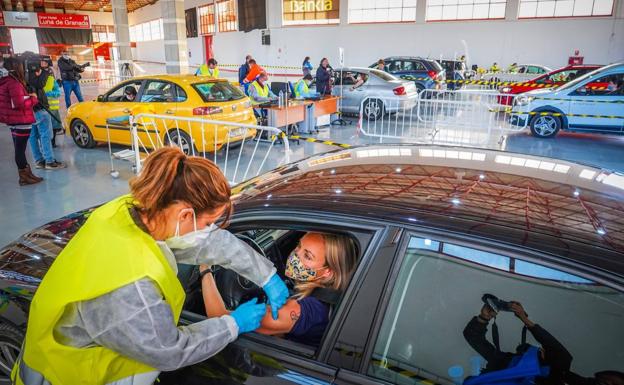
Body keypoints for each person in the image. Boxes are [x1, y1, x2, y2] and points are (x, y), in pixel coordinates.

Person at [12, 147, 290, 385]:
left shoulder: (127, 211)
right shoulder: (132, 287)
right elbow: (169, 350)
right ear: (184, 214)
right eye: (207, 223)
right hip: (69, 374)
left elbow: (208, 244)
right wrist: (232, 324)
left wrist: (265, 275)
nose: (208, 231)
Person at [201, 232, 357, 346]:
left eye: (307, 256)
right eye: (299, 246)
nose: (295, 256)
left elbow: (219, 318)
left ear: (327, 272)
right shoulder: (326, 295)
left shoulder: (308, 310)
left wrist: (205, 268)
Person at [463, 300, 573, 384]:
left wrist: (523, 317)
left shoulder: (559, 365)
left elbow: (473, 337)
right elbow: (473, 336)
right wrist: (484, 317)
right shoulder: (502, 364)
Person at [0, 57, 43, 186]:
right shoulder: (14, 83)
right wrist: (34, 99)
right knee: (20, 150)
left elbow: (14, 101)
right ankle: (25, 177)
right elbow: (19, 103)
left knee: (19, 150)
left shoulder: (5, 81)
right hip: (21, 121)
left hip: (14, 121)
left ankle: (27, 175)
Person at [28, 59, 66, 170]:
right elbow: (41, 85)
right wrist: (44, 72)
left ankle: (39, 161)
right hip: (40, 108)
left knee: (33, 136)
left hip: (29, 110)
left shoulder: (23, 77)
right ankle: (49, 161)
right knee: (46, 135)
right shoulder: (39, 76)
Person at [41, 60, 62, 147]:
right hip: (43, 107)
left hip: (53, 108)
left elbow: (57, 92)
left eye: (44, 62)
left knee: (54, 126)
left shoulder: (51, 77)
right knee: (45, 127)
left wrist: (49, 93)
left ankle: (52, 143)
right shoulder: (38, 80)